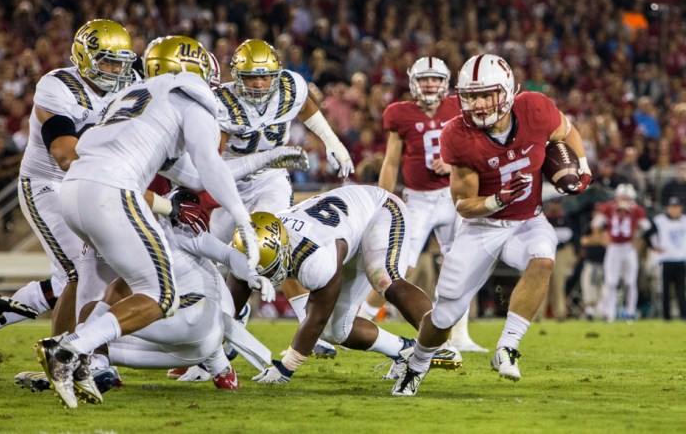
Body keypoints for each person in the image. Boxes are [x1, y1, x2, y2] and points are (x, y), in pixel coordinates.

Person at [38, 35, 262, 409]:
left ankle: (87, 358)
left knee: (121, 285)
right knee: (160, 294)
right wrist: (242, 216)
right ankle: (71, 348)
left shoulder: (138, 97)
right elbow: (208, 164)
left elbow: (192, 175)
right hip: (113, 190)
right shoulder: (190, 93)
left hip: (75, 190)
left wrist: (266, 160)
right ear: (191, 69)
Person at [392, 54, 593, 396]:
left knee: (543, 256)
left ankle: (507, 347)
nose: (479, 104)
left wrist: (583, 166)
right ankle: (416, 364)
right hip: (481, 227)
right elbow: (463, 206)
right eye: (471, 96)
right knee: (443, 316)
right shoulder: (457, 134)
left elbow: (567, 129)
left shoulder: (535, 108)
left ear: (508, 91)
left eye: (487, 94)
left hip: (527, 221)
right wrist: (497, 199)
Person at [0, 19, 138, 377]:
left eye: (121, 62)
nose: (115, 70)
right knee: (78, 271)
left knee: (86, 275)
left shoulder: (129, 84)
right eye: (107, 61)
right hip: (47, 183)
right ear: (84, 58)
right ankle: (67, 361)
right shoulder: (57, 85)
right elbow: (65, 154)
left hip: (92, 184)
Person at [15, 199, 275, 393]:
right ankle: (222, 371)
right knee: (110, 328)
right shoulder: (185, 240)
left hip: (192, 322)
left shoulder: (169, 233)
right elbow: (229, 256)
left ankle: (84, 359)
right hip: (210, 332)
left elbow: (110, 294)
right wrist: (252, 276)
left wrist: (83, 333)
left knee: (100, 316)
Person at [228, 186, 461, 385]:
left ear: (283, 249)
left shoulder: (316, 258)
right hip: (345, 231)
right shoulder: (246, 246)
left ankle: (439, 340)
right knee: (336, 331)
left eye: (268, 267)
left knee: (385, 278)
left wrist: (285, 368)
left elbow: (316, 316)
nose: (263, 275)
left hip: (379, 210)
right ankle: (403, 350)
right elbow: (230, 304)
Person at [210, 39, 354, 358]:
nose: (259, 83)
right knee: (216, 261)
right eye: (251, 77)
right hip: (228, 183)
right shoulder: (222, 103)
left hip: (269, 182)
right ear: (236, 76)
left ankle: (307, 324)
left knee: (274, 241)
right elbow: (211, 165)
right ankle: (225, 325)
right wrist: (268, 157)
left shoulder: (290, 86)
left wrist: (332, 142)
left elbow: (306, 108)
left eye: (265, 76)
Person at [358, 56, 486, 353]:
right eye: (425, 79)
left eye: (436, 79)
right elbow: (390, 162)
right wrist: (382, 201)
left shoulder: (458, 107)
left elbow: (477, 147)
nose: (431, 84)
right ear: (414, 83)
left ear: (446, 84)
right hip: (418, 199)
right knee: (400, 263)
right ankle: (360, 319)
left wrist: (455, 162)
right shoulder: (400, 113)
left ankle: (460, 335)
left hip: (454, 196)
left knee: (462, 263)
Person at [592, 183, 650, 322]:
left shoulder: (637, 210)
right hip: (614, 248)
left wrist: (639, 242)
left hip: (628, 248)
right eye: (622, 197)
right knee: (611, 282)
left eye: (627, 197)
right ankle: (610, 314)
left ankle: (630, 312)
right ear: (617, 197)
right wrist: (601, 239)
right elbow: (595, 224)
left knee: (630, 282)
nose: (624, 200)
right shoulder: (609, 208)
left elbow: (646, 228)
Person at [649, 197, 686, 320]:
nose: (674, 210)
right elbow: (647, 234)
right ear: (668, 208)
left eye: (677, 207)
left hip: (680, 259)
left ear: (680, 208)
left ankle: (683, 315)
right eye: (672, 207)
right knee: (665, 290)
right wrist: (654, 248)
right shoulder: (661, 221)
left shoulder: (684, 221)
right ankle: (666, 316)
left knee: (681, 290)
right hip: (666, 260)